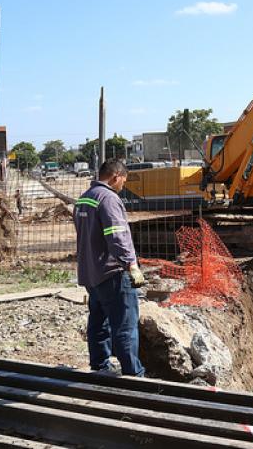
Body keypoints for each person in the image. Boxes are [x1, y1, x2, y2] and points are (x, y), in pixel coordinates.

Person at [74, 159, 146, 376]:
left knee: (98, 321)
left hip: (91, 273)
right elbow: (117, 236)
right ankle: (134, 375)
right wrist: (131, 265)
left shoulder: (84, 199)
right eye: (123, 180)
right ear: (116, 176)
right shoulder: (108, 199)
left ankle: (100, 366)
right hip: (112, 273)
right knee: (125, 326)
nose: (123, 185)